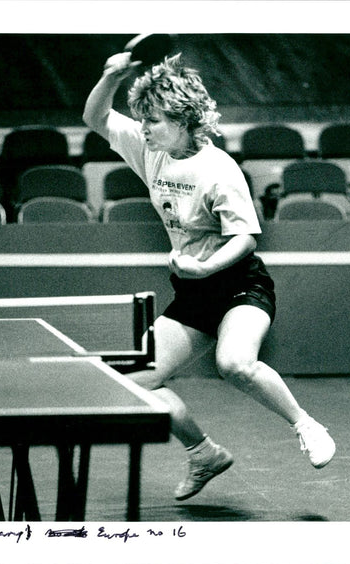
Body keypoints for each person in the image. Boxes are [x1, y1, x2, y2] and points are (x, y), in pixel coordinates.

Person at [83, 51, 335, 501]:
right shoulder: (151, 150)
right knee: (132, 383)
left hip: (239, 285)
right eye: (142, 120)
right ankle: (204, 454)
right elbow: (96, 116)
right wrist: (110, 77)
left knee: (234, 364)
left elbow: (245, 238)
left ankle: (305, 424)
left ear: (182, 119)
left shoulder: (219, 170)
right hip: (194, 294)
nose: (143, 128)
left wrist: (204, 266)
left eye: (153, 120)